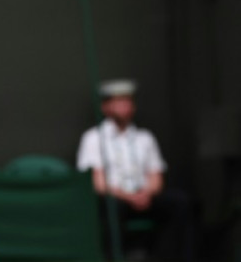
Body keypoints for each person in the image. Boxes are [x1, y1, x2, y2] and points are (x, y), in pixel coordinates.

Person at [76, 79, 194, 262]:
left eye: (128, 102)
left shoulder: (145, 138)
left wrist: (145, 194)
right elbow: (98, 183)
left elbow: (156, 177)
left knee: (181, 202)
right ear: (106, 107)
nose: (125, 107)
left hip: (144, 196)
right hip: (117, 199)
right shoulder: (93, 138)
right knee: (111, 208)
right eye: (118, 102)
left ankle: (170, 257)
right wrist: (128, 197)